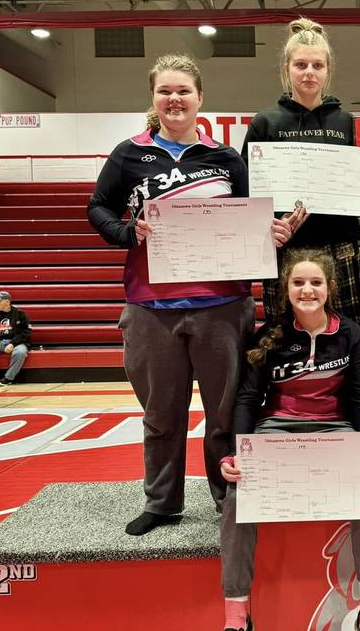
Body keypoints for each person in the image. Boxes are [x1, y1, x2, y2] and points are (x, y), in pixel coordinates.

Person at [88, 53, 292, 537]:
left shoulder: (225, 158)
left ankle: (229, 496)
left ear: (200, 98)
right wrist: (124, 232)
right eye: (165, 91)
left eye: (183, 91)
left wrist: (271, 234)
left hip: (222, 304)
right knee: (161, 415)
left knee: (224, 414)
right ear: (154, 98)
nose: (174, 99)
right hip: (150, 306)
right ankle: (162, 501)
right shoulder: (128, 154)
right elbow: (97, 208)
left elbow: (252, 218)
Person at [213, 248, 360, 631]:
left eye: (316, 283)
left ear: (329, 288)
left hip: (334, 430)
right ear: (285, 290)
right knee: (239, 493)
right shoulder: (268, 335)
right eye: (298, 283)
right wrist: (235, 453)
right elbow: (248, 399)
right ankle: (236, 618)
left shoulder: (349, 333)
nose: (307, 290)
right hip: (278, 430)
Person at [242, 18, 360, 326]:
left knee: (346, 332)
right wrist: (267, 225)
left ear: (328, 70)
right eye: (301, 65)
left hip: (339, 247)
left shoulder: (347, 122)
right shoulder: (264, 123)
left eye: (317, 65)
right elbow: (246, 193)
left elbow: (359, 185)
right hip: (286, 248)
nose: (309, 72)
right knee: (283, 334)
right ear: (286, 68)